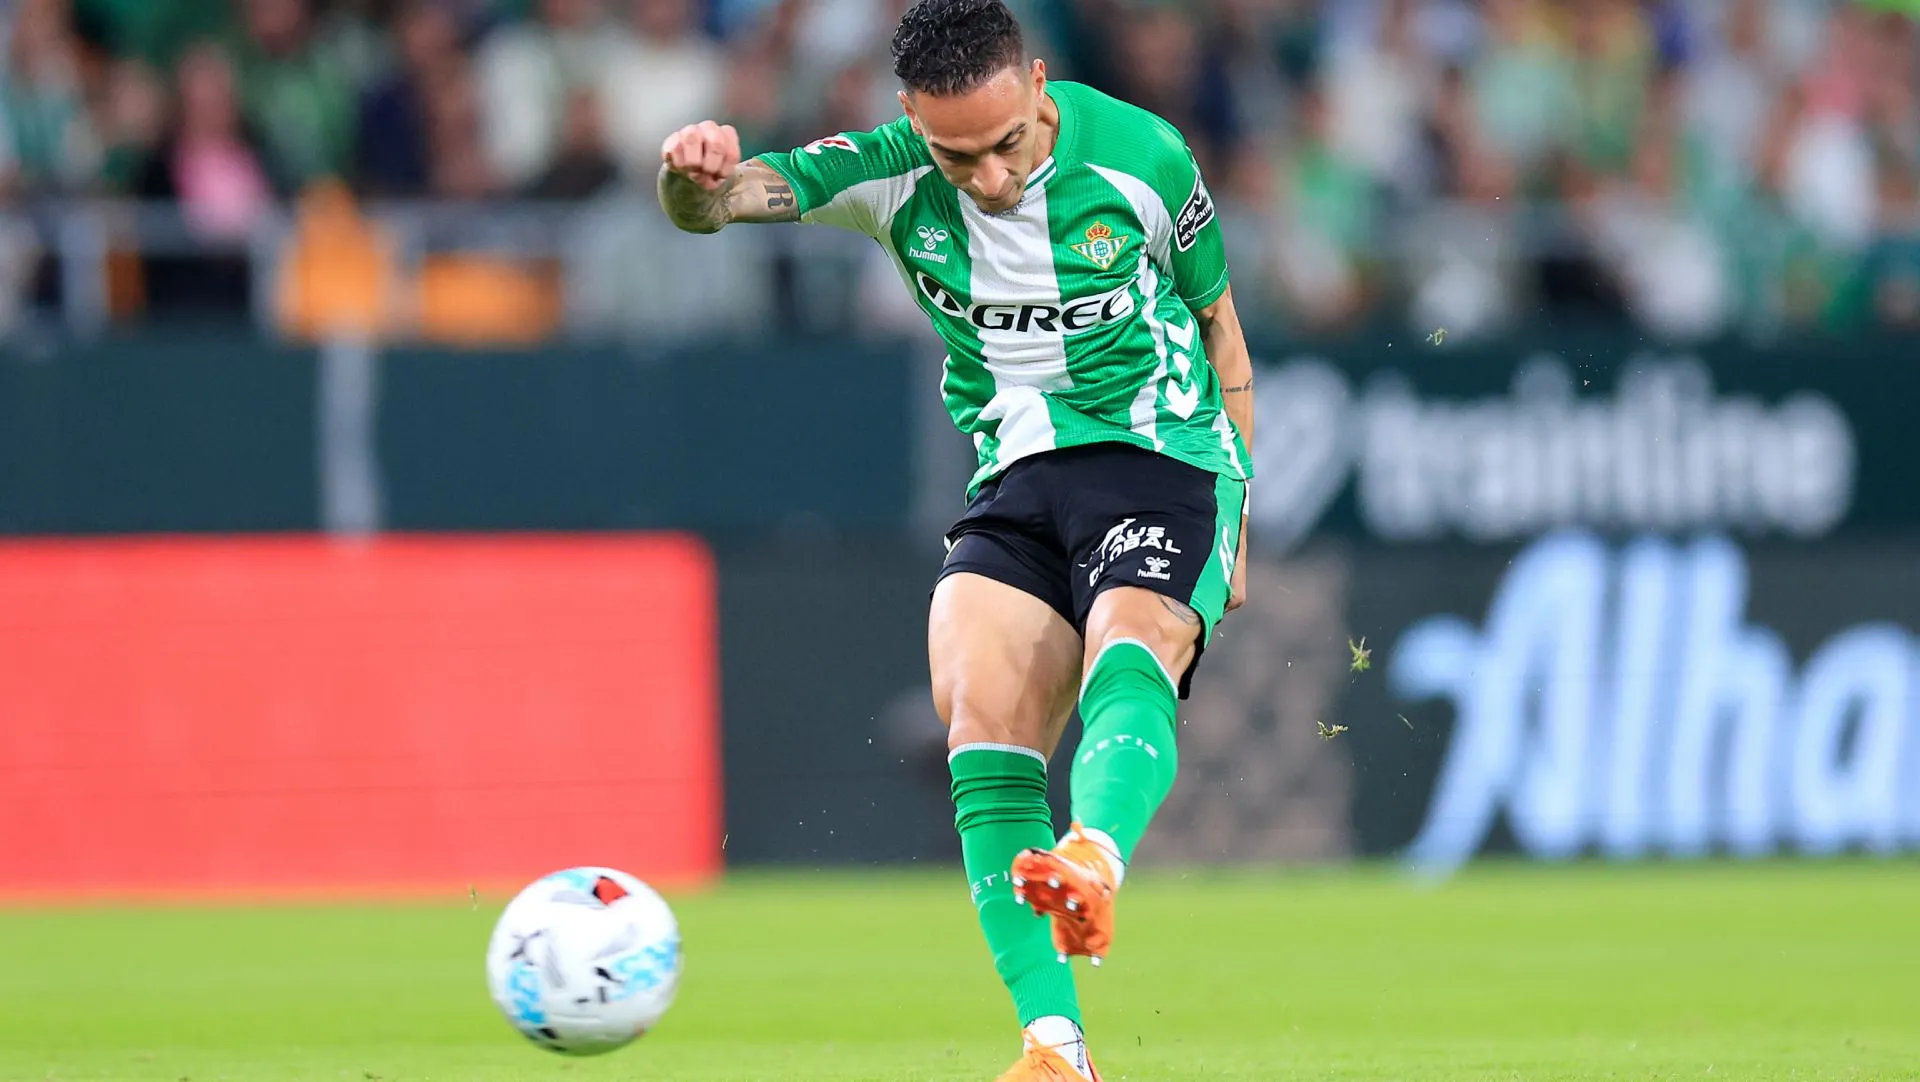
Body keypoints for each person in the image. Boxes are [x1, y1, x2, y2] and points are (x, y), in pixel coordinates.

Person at [656, 1, 1253, 1077]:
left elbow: (1221, 326)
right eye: (955, 155)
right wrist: (688, 177)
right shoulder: (887, 171)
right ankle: (1054, 1044)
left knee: (1131, 632)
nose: (987, 177)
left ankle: (1093, 856)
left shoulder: (1145, 156)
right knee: (975, 712)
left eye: (1006, 144)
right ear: (910, 120)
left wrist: (1240, 512)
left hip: (1161, 456)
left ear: (1037, 84)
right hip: (1016, 480)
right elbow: (717, 208)